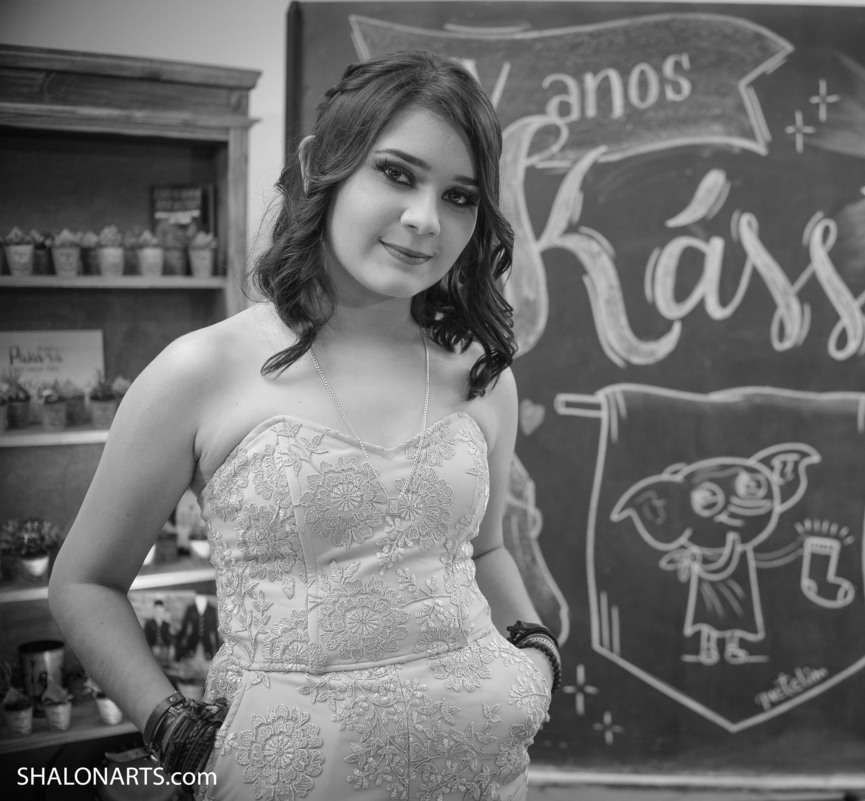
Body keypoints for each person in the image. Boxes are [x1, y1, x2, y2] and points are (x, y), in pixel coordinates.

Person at [50, 50, 559, 800]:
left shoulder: (479, 370)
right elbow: (84, 582)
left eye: (459, 196)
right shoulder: (200, 370)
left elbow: (484, 548)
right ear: (323, 164)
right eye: (397, 173)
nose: (425, 220)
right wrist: (177, 733)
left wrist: (538, 656)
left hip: (487, 776)